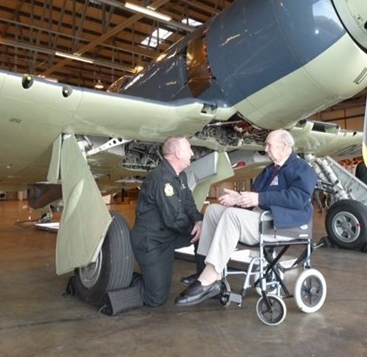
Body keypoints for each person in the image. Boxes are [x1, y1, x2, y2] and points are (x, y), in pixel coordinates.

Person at [174, 129, 317, 306]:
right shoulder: (269, 171)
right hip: (261, 219)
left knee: (232, 215)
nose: (265, 149)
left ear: (284, 146)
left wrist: (258, 198)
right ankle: (203, 268)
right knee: (212, 211)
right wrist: (239, 198)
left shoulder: (302, 169)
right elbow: (255, 196)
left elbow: (298, 198)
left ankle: (211, 276)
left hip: (281, 224)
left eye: (269, 145)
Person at [129, 136, 203, 307]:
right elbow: (174, 218)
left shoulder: (180, 176)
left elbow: (189, 205)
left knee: (207, 230)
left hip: (169, 236)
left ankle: (203, 280)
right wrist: (195, 228)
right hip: (151, 241)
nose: (192, 153)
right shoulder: (162, 179)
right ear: (178, 153)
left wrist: (199, 222)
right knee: (156, 298)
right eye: (189, 149)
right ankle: (119, 276)